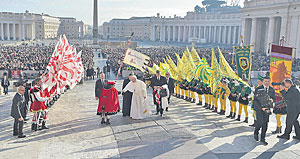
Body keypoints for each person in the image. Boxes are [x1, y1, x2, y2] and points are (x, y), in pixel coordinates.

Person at [253, 76, 275, 145]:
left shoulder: (272, 89)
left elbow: (273, 98)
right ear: (263, 82)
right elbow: (255, 100)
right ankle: (256, 132)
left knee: (265, 124)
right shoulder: (258, 89)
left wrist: (272, 100)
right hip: (259, 109)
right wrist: (261, 108)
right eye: (265, 81)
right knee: (260, 122)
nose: (267, 83)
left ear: (270, 82)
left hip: (267, 109)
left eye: (268, 81)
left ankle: (263, 138)